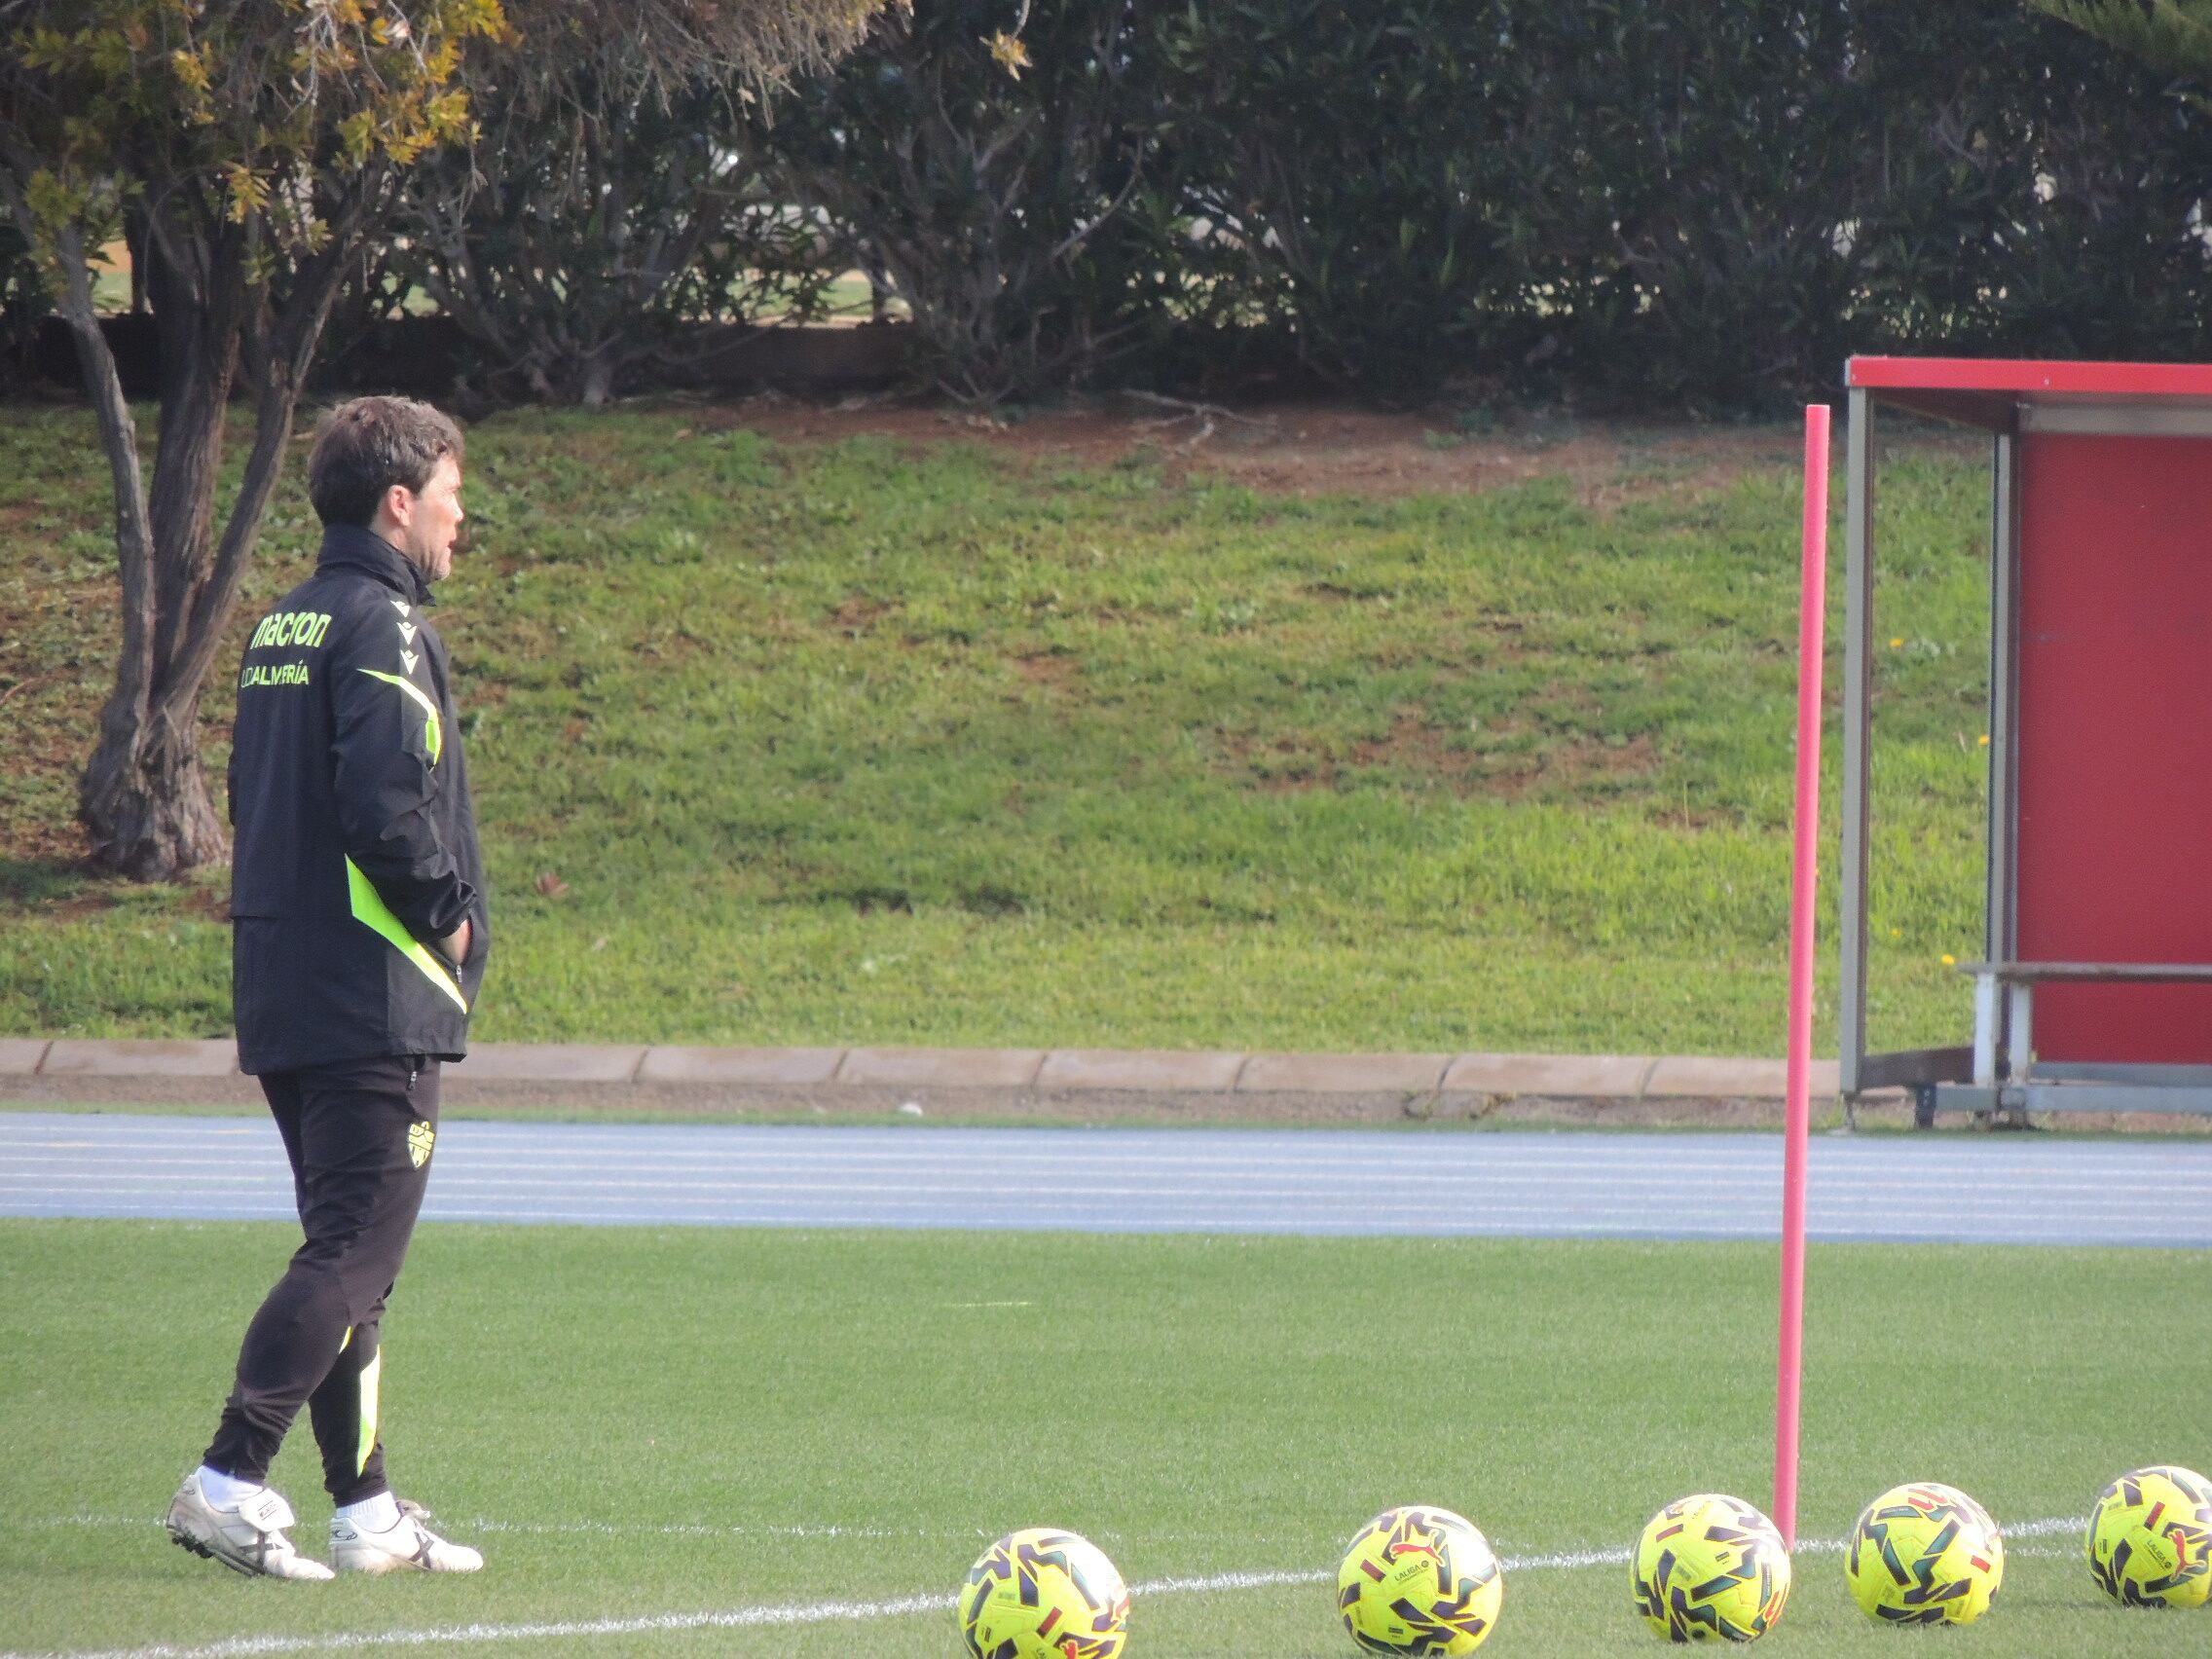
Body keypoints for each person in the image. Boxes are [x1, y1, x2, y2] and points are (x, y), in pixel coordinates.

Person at [165, 396, 491, 1580]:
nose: (460, 525)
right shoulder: (383, 625)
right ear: (397, 504)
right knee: (353, 1251)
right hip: (372, 989)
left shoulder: (281, 627)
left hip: (289, 981)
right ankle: (226, 1477)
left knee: (352, 1255)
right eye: (450, 501)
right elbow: (384, 799)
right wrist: (449, 916)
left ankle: (365, 1512)